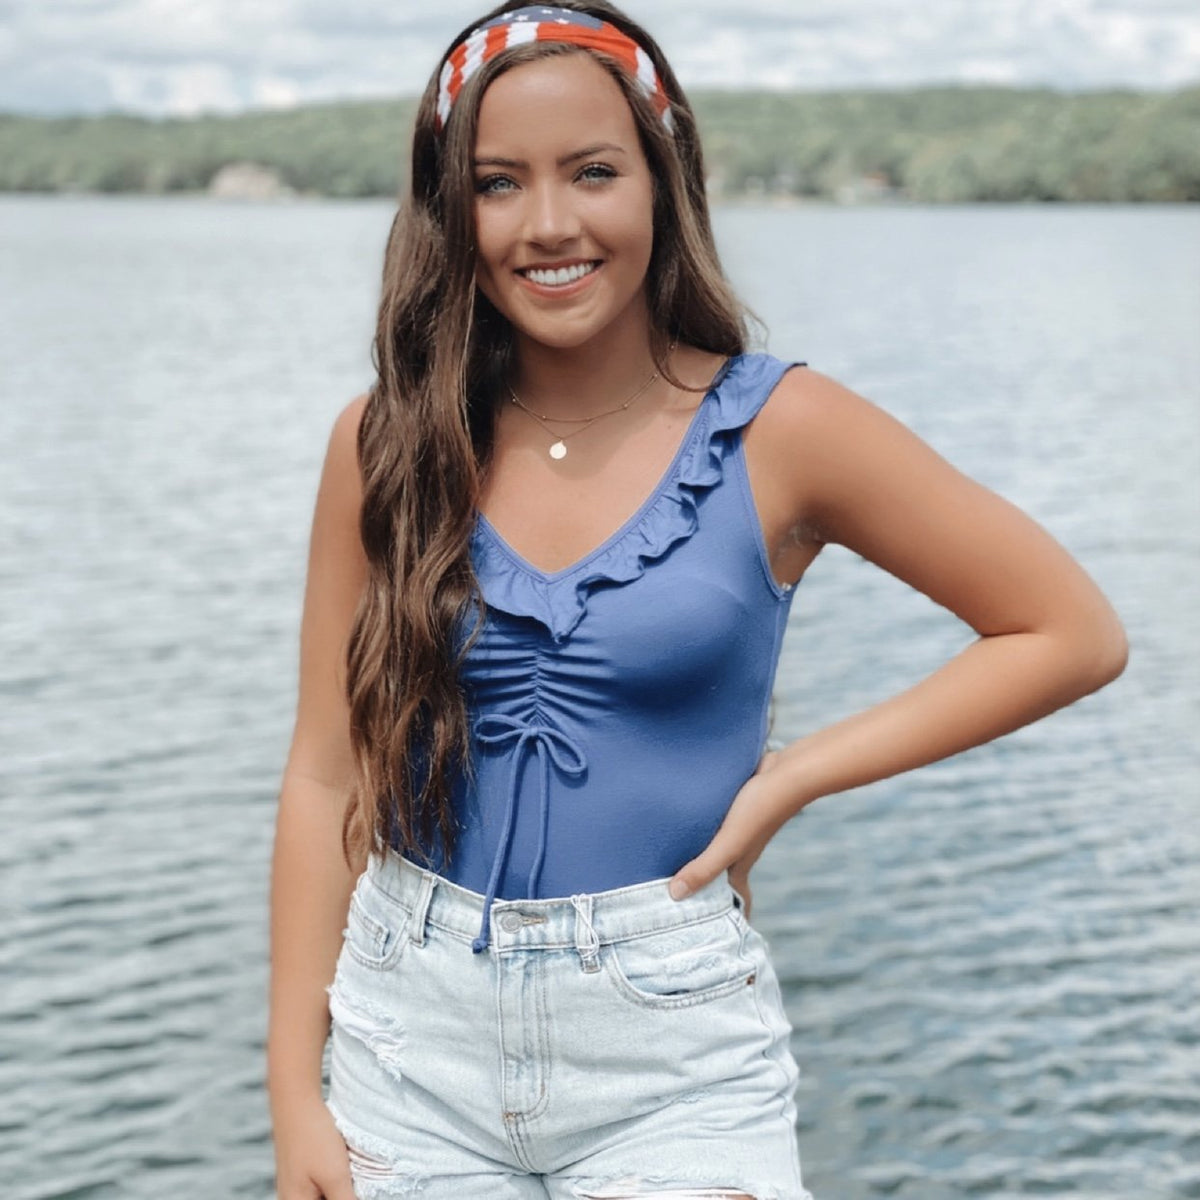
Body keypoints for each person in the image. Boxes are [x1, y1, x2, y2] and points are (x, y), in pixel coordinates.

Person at [266, 3, 1129, 1198]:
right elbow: (324, 773)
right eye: (498, 183)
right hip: (402, 1043)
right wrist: (293, 1095)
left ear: (665, 184)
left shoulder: (783, 430)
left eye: (594, 172)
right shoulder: (384, 445)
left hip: (667, 1055)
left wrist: (792, 777)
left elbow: (1068, 631)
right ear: (446, 213)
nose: (550, 224)